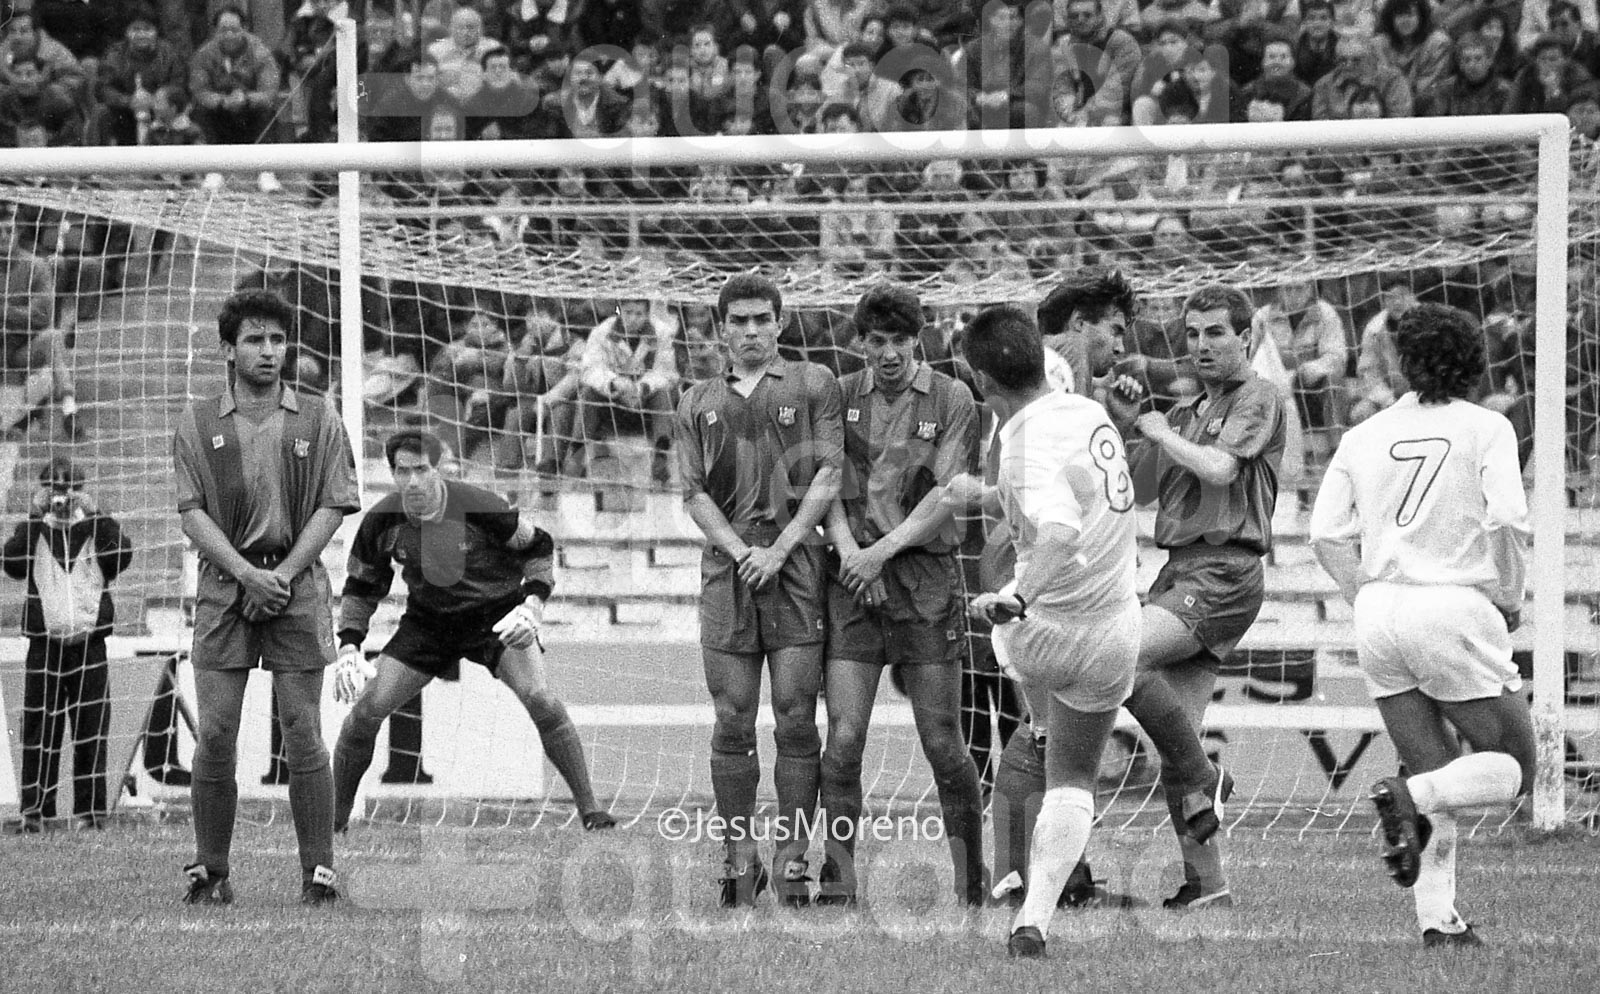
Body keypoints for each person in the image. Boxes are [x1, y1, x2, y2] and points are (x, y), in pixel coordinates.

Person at [1308, 303, 1535, 949]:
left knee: (1433, 767)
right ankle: (1406, 795)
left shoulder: (1364, 433)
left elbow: (1324, 532)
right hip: (1451, 605)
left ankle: (1439, 921)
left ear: (1403, 363)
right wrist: (1509, 595)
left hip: (1379, 613)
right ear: (1474, 363)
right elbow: (1507, 520)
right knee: (1517, 766)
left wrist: (1364, 595)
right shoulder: (1487, 426)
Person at [955, 303, 1140, 959]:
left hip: (1044, 633)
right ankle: (1033, 917)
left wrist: (1018, 596)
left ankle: (1037, 720)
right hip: (1115, 629)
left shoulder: (1021, 447)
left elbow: (1059, 530)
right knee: (1073, 779)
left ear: (982, 381)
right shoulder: (1090, 414)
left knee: (999, 626)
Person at [172, 288, 359, 906]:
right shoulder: (198, 421)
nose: (269, 350)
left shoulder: (319, 417)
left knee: (303, 730)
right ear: (228, 349)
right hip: (225, 587)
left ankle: (318, 873)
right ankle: (212, 871)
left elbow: (334, 504)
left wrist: (279, 576)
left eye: (278, 339)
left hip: (295, 586)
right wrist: (245, 575)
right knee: (217, 732)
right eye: (254, 339)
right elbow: (192, 512)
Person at [329, 428, 616, 832]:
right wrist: (348, 646)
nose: (412, 481)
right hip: (428, 624)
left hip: (496, 617)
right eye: (402, 471)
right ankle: (333, 825)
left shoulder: (480, 506)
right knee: (364, 713)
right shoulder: (381, 521)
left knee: (541, 700)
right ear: (392, 473)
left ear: (439, 469)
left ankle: (591, 812)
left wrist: (532, 605)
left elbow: (539, 546)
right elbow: (361, 586)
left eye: (421, 469)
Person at [1104, 284, 1287, 910]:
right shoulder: (1185, 413)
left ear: (1245, 337)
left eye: (1215, 332)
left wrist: (1158, 428)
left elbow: (1220, 469)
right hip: (1181, 572)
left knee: (1118, 656)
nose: (1201, 345)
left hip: (1224, 571)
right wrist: (1126, 425)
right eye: (1192, 334)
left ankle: (1209, 778)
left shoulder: (1258, 396)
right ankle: (1207, 885)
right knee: (1176, 739)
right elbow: (1138, 490)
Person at [674, 273, 843, 907]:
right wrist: (742, 550)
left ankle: (792, 860)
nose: (750, 331)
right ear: (721, 329)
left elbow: (829, 472)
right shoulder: (695, 400)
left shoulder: (813, 383)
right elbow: (693, 493)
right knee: (731, 717)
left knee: (797, 717)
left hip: (794, 565)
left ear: (780, 322)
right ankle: (739, 861)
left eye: (761, 319)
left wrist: (782, 547)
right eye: (738, 321)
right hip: (730, 568)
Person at [818, 282, 985, 907]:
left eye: (900, 341)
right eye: (876, 341)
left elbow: (946, 495)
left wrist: (877, 553)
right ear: (860, 342)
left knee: (942, 741)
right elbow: (826, 482)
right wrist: (849, 553)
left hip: (925, 581)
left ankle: (971, 884)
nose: (888, 353)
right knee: (843, 740)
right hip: (852, 582)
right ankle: (838, 881)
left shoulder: (952, 397)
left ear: (919, 340)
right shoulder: (839, 394)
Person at [1, 458, 132, 833]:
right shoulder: (34, 531)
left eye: (69, 488)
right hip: (44, 646)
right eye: (54, 489)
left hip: (90, 645)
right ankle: (35, 813)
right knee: (40, 730)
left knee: (91, 730)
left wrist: (97, 514)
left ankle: (90, 814)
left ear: (81, 490)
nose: (61, 497)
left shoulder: (94, 528)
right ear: (43, 491)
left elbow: (122, 556)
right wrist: (34, 515)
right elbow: (11, 563)